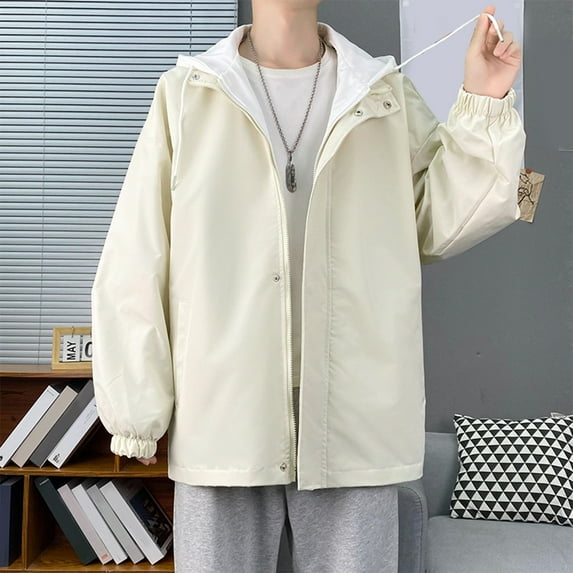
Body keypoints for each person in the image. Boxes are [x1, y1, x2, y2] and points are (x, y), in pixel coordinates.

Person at [91, 1, 525, 571]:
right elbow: (135, 254)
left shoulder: (382, 92)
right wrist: (137, 412)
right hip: (224, 413)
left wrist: (484, 99)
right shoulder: (188, 93)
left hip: (357, 414)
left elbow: (440, 220)